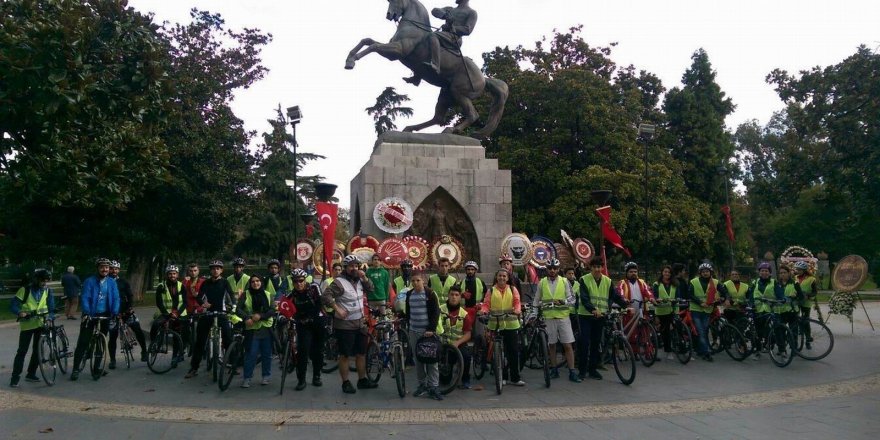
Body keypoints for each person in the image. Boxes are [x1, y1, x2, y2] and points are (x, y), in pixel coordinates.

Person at [321, 254, 377, 394]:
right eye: (351, 266)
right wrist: (337, 309)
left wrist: (364, 278)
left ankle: (362, 380)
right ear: (345, 268)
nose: (354, 268)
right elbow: (326, 296)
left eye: (356, 266)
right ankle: (345, 382)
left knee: (361, 353)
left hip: (360, 323)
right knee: (345, 355)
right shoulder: (339, 282)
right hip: (345, 325)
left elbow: (371, 289)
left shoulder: (359, 280)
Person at [577, 257, 629, 380]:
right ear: (591, 268)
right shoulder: (584, 280)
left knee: (596, 343)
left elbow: (614, 295)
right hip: (586, 315)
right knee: (584, 343)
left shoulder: (607, 281)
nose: (597, 269)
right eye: (594, 267)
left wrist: (626, 305)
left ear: (602, 268)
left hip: (601, 317)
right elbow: (584, 298)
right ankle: (582, 371)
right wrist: (593, 310)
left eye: (599, 267)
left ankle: (593, 369)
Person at [71, 258, 120, 381]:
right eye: (102, 267)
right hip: (91, 314)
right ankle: (75, 369)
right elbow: (85, 298)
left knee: (101, 343)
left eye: (107, 267)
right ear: (97, 268)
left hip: (105, 314)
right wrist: (87, 312)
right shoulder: (90, 281)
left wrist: (114, 312)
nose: (105, 269)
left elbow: (116, 298)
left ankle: (97, 367)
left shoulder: (111, 282)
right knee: (83, 342)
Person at [531, 258, 580, 382]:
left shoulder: (564, 281)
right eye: (550, 268)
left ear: (558, 269)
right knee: (551, 345)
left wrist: (563, 301)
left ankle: (572, 371)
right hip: (548, 318)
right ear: (546, 269)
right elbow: (536, 300)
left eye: (555, 268)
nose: (552, 270)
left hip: (563, 317)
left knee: (567, 345)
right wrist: (534, 314)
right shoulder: (542, 283)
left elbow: (572, 300)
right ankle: (554, 369)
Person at [186, 260, 234, 378]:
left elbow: (231, 296)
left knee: (228, 338)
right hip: (208, 313)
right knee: (200, 340)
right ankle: (194, 368)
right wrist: (203, 303)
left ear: (221, 270)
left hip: (221, 313)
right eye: (213, 268)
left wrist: (232, 307)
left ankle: (233, 364)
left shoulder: (225, 282)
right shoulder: (205, 283)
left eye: (218, 268)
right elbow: (199, 297)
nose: (215, 270)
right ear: (210, 270)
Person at [10, 269, 56, 387]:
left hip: (41, 323)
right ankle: (15, 378)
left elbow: (51, 308)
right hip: (27, 325)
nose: (44, 283)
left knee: (38, 350)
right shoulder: (25, 290)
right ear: (36, 279)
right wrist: (19, 312)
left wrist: (50, 317)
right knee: (22, 351)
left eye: (46, 281)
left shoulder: (47, 290)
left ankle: (31, 374)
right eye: (42, 281)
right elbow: (13, 305)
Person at [402, 272, 444, 400]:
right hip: (414, 331)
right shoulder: (409, 294)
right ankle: (422, 385)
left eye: (418, 280)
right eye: (413, 281)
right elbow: (408, 312)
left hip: (428, 333)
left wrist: (431, 329)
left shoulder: (430, 294)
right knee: (418, 359)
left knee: (432, 360)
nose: (415, 283)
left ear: (423, 281)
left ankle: (434, 386)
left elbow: (436, 312)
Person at [479, 269, 525, 386]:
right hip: (496, 325)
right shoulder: (491, 290)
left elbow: (517, 301)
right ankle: (502, 376)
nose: (502, 278)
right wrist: (483, 311)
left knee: (513, 351)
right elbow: (486, 304)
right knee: (500, 352)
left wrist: (517, 309)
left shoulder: (512, 289)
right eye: (500, 276)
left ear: (507, 278)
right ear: (496, 277)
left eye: (504, 276)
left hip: (511, 324)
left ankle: (515, 378)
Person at [288, 269, 326, 390]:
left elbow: (319, 304)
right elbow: (284, 306)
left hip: (317, 321)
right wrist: (282, 316)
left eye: (301, 281)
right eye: (295, 281)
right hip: (303, 324)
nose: (299, 283)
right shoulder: (292, 294)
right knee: (303, 351)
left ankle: (316, 376)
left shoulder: (314, 288)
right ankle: (301, 379)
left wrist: (310, 317)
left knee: (318, 351)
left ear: (305, 280)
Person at [236, 275, 275, 387]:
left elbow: (272, 310)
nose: (255, 283)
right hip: (251, 329)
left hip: (266, 329)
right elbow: (238, 309)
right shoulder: (245, 294)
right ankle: (247, 378)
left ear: (261, 282)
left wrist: (261, 316)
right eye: (253, 281)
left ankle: (266, 376)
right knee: (250, 354)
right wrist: (246, 318)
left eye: (258, 281)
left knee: (267, 354)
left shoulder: (268, 294)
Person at [107, 260, 148, 368]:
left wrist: (130, 308)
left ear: (118, 270)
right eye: (111, 268)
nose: (113, 271)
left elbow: (130, 296)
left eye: (116, 269)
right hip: (112, 313)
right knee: (112, 335)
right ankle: (112, 360)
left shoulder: (123, 282)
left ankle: (144, 351)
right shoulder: (105, 282)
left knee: (137, 328)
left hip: (126, 310)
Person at [423, 0, 478, 76]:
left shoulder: (471, 12)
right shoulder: (450, 10)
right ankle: (417, 75)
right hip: (444, 34)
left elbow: (468, 30)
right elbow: (434, 11)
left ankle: (436, 65)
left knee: (433, 35)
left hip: (455, 38)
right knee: (423, 38)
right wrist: (445, 15)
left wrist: (451, 27)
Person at [687, 262, 728, 362]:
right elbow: (690, 294)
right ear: (700, 273)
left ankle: (700, 350)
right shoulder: (693, 281)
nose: (705, 273)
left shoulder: (715, 282)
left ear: (710, 272)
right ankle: (706, 352)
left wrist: (726, 298)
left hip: (707, 310)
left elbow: (724, 291)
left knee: (704, 331)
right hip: (696, 310)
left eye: (707, 271)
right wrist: (700, 303)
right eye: (703, 271)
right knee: (701, 331)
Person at [151, 264, 187, 369]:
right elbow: (159, 302)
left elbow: (185, 302)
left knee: (177, 334)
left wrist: (177, 313)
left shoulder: (181, 286)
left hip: (178, 313)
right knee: (155, 325)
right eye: (170, 274)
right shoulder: (161, 286)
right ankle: (155, 345)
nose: (172, 276)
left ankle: (174, 357)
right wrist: (167, 314)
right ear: (167, 275)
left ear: (177, 275)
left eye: (174, 274)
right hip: (165, 313)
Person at [441, 286, 474, 389]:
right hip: (444, 344)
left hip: (458, 345)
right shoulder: (440, 310)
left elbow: (468, 334)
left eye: (456, 295)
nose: (454, 297)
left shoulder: (464, 314)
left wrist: (458, 343)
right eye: (451, 295)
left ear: (460, 298)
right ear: (448, 296)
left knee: (467, 356)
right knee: (445, 381)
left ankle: (465, 379)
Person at [652, 265, 679, 361]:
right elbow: (654, 295)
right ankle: (663, 350)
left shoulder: (674, 284)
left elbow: (677, 296)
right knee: (663, 331)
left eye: (669, 272)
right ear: (662, 273)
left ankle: (672, 349)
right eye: (665, 272)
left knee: (671, 330)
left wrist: (676, 300)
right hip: (660, 311)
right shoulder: (656, 284)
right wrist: (657, 299)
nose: (667, 273)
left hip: (671, 310)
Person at [794, 261, 818, 349]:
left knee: (805, 320)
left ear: (804, 270)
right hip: (796, 301)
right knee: (795, 319)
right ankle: (797, 337)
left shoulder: (811, 279)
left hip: (806, 302)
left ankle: (808, 339)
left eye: (800, 270)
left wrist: (808, 295)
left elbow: (815, 292)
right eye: (797, 269)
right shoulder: (795, 278)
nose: (798, 271)